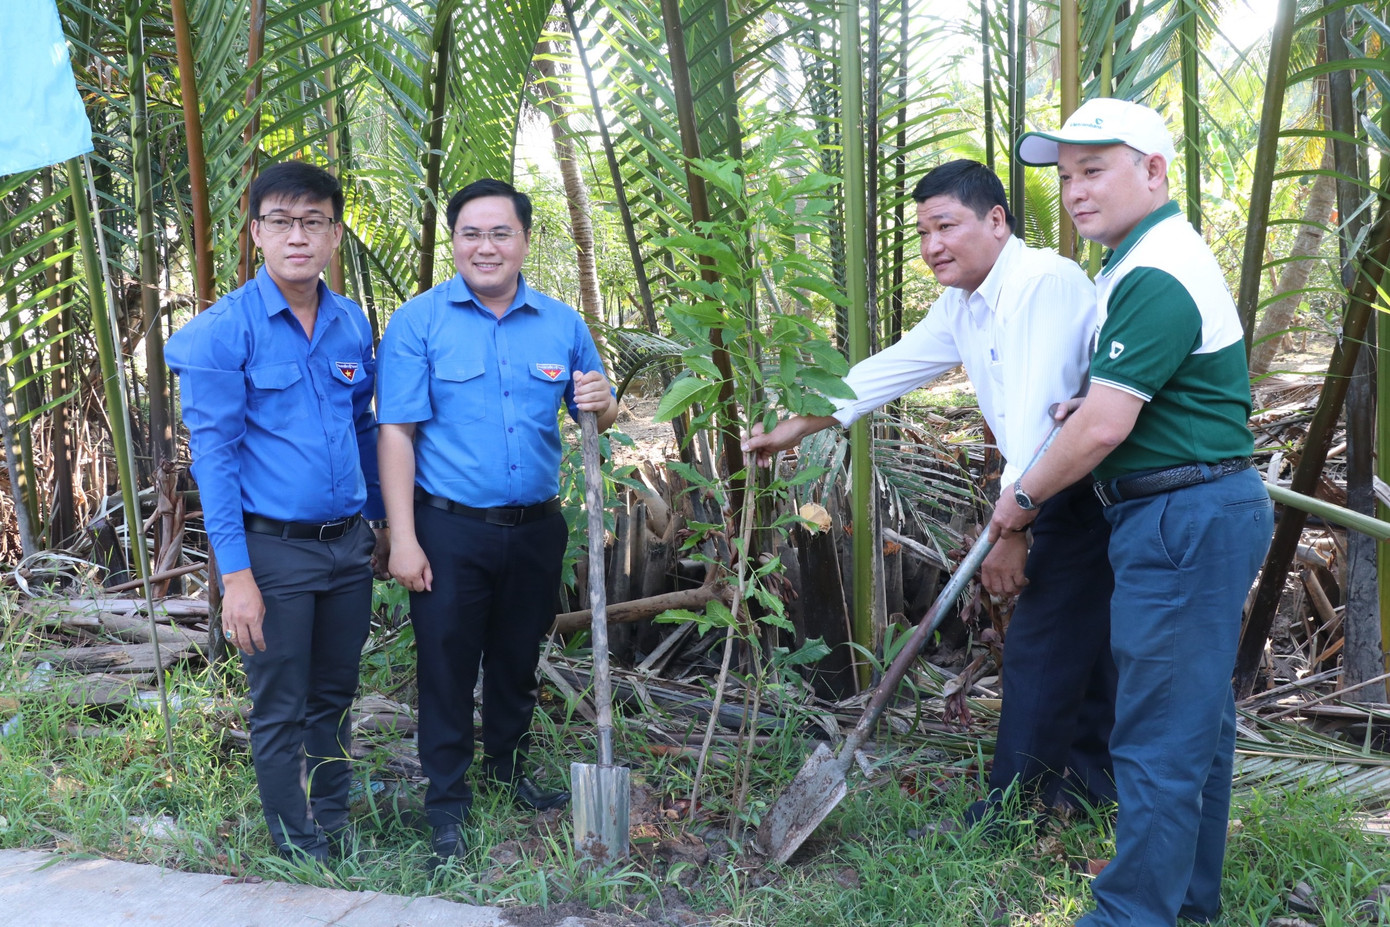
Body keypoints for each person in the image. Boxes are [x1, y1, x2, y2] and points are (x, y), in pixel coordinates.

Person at [743, 159, 1117, 833]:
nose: (931, 246)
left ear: (997, 220)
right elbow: (889, 370)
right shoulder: (964, 304)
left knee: (1040, 643)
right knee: (1081, 642)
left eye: (945, 225)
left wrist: (1013, 530)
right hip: (1043, 487)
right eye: (922, 232)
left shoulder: (1044, 283)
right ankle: (1091, 787)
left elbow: (1037, 415)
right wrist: (797, 423)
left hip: (1077, 487)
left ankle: (1005, 814)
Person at [996, 98, 1274, 926]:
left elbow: (1108, 426)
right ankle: (1186, 903)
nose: (1076, 191)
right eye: (1067, 175)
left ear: (1153, 170)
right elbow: (1124, 404)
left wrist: (1018, 502)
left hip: (1182, 516)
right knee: (1194, 729)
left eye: (1096, 169)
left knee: (1155, 733)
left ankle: (1129, 915)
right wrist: (1083, 410)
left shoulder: (1156, 271)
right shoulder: (1140, 259)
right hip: (1189, 508)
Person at [376, 178, 618, 863]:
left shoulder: (561, 323)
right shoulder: (419, 321)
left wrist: (604, 401)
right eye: (471, 234)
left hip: (537, 527)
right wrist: (404, 537)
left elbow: (596, 412)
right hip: (449, 527)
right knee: (447, 665)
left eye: (500, 233)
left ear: (524, 241)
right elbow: (395, 432)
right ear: (455, 241)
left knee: (517, 660)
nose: (486, 246)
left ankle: (509, 772)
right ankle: (446, 802)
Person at [167, 161, 389, 864]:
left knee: (335, 694)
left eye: (314, 221)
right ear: (257, 231)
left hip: (347, 545)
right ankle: (296, 844)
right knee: (281, 704)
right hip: (273, 553)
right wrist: (236, 575)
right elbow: (216, 460)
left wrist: (380, 521)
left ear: (334, 233)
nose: (299, 236)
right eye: (283, 222)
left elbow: (363, 426)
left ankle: (333, 820)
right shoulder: (222, 333)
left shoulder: (351, 321)